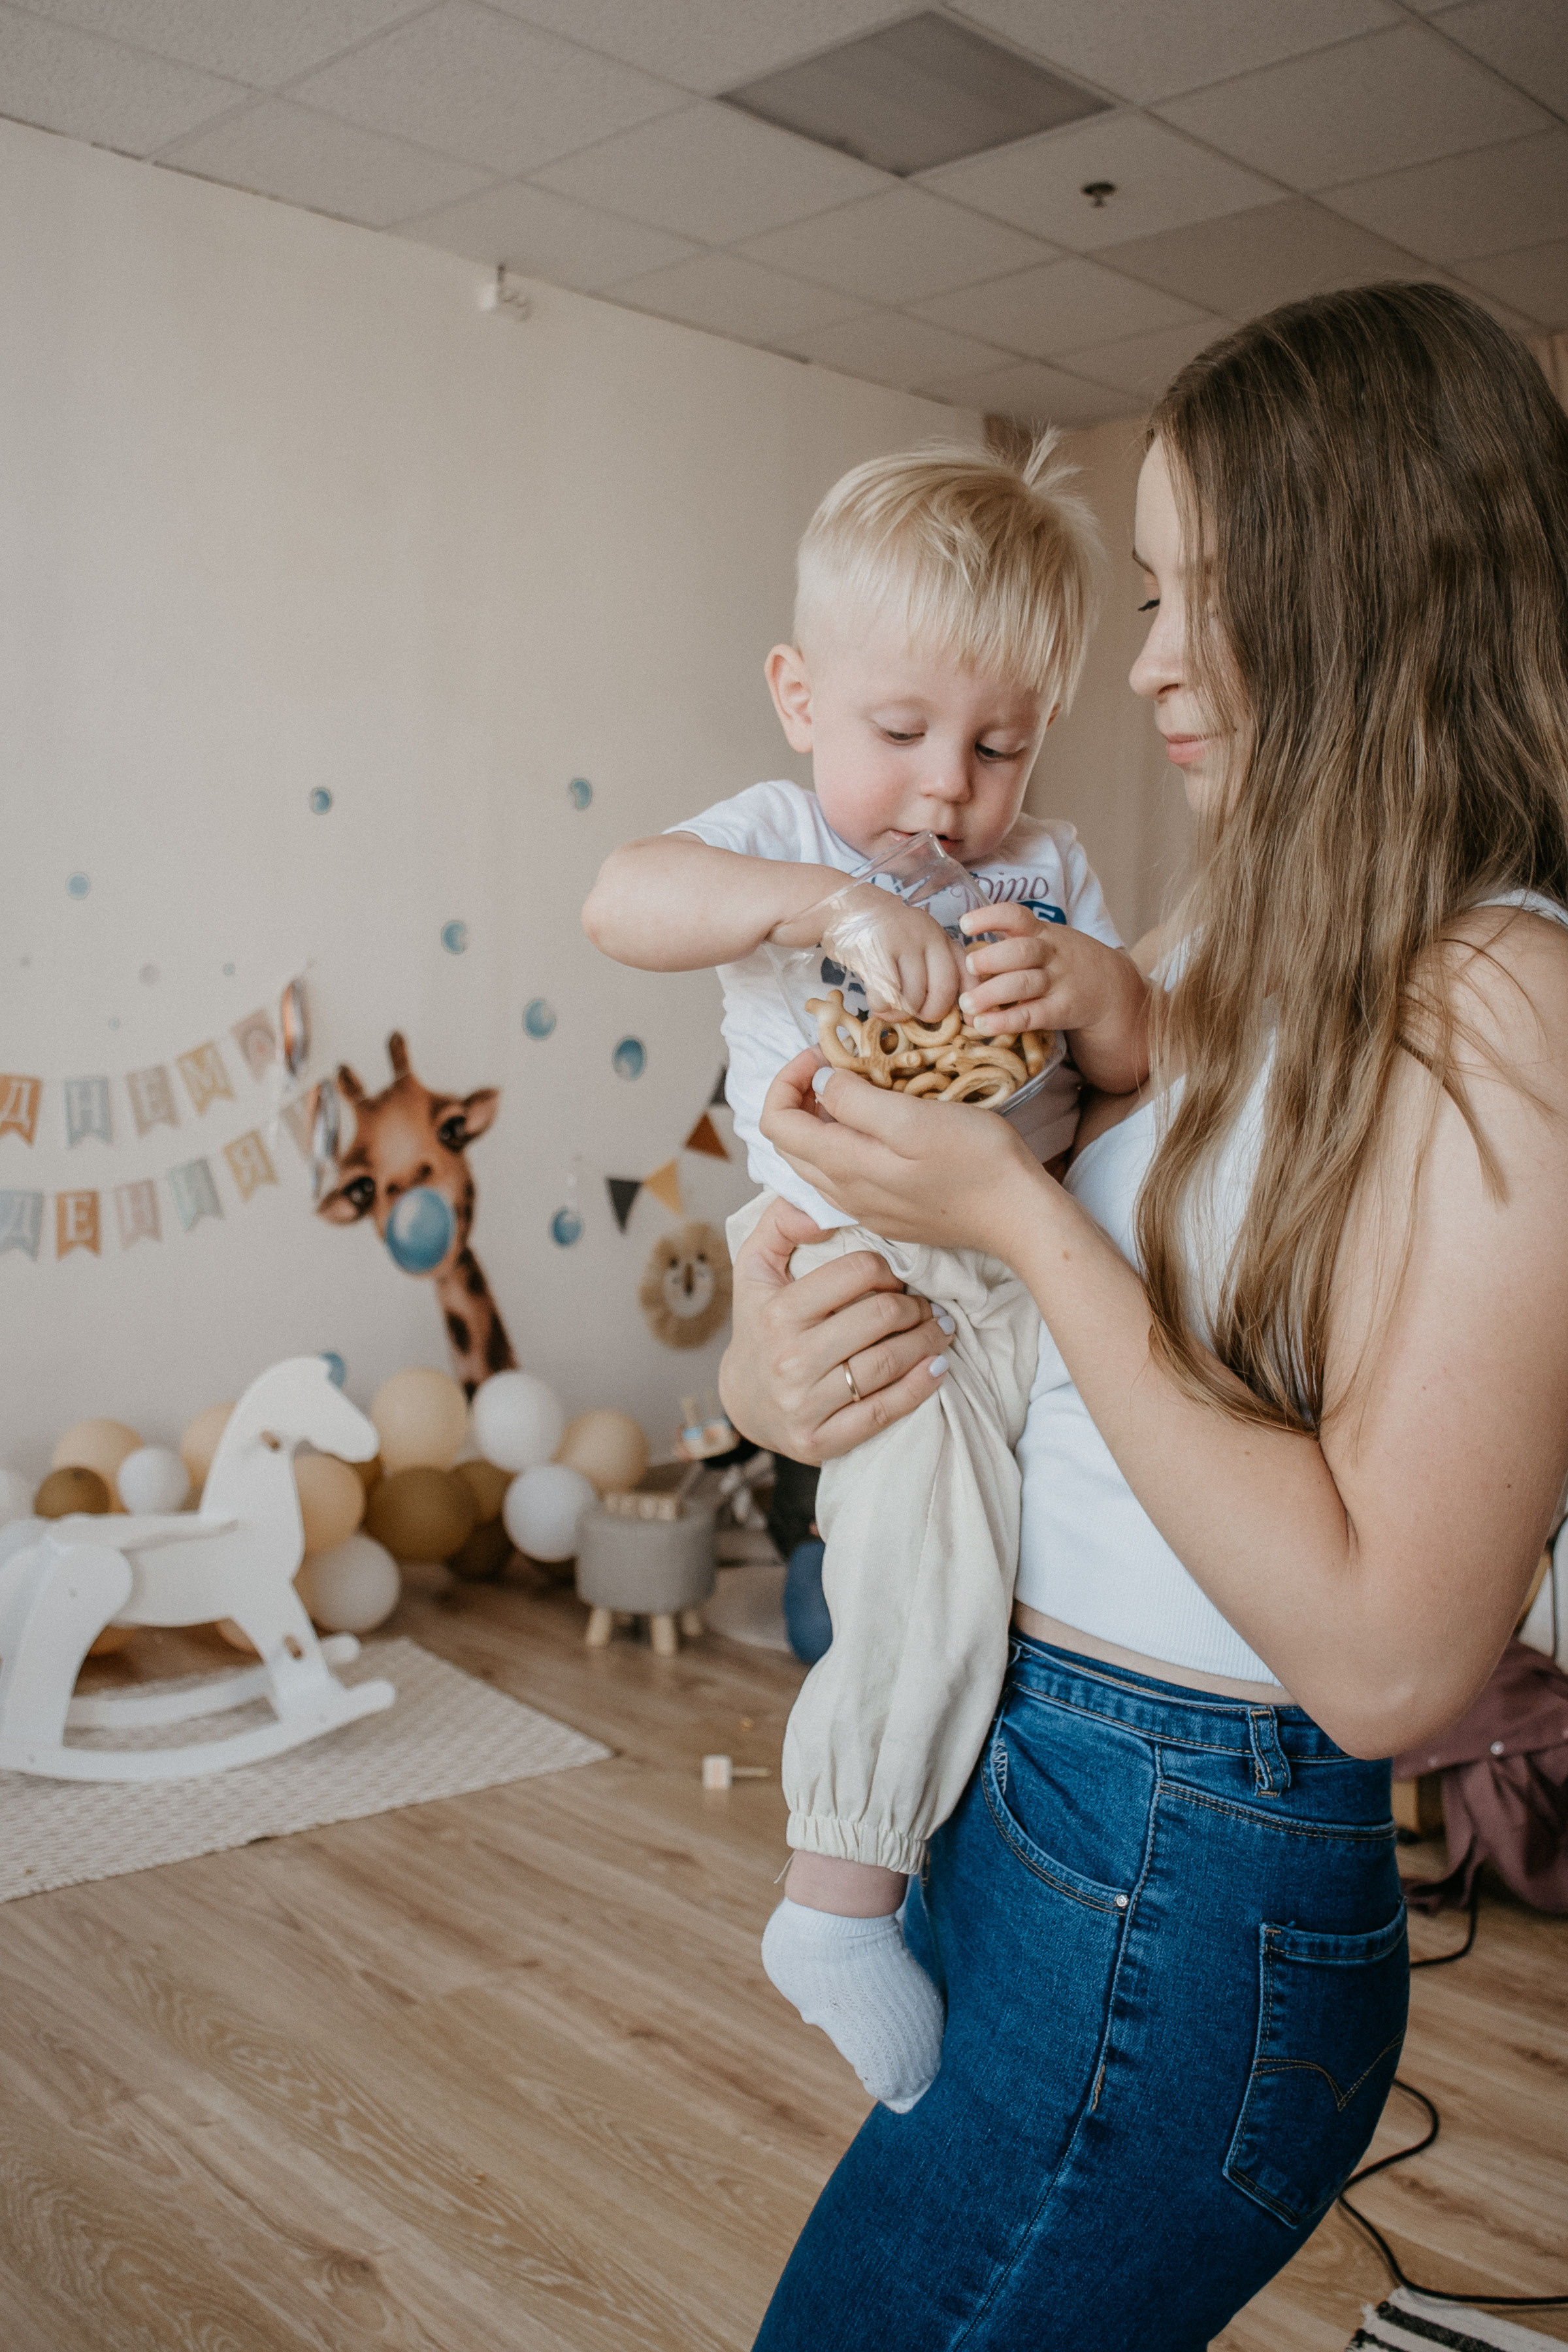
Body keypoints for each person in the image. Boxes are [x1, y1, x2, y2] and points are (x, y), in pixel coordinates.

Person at [718, 282, 1568, 2349]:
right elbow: (1062, 1385)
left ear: (1370, 586)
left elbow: (1388, 1664)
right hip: (1034, 1786)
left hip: (1186, 1853)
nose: (1153, 660)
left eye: (1200, 594)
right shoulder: (1220, 933)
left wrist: (1018, 1215)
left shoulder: (1504, 991)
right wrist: (781, 1374)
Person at [583, 438, 1151, 2110]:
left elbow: (1136, 1068)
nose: (945, 792)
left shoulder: (1040, 871)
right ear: (798, 694)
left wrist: (1091, 984)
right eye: (898, 734)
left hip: (1033, 1268)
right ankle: (837, 1891)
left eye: (999, 744)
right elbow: (626, 898)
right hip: (866, 1275)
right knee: (917, 1548)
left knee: (1054, 1546)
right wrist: (828, 903)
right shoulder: (778, 838)